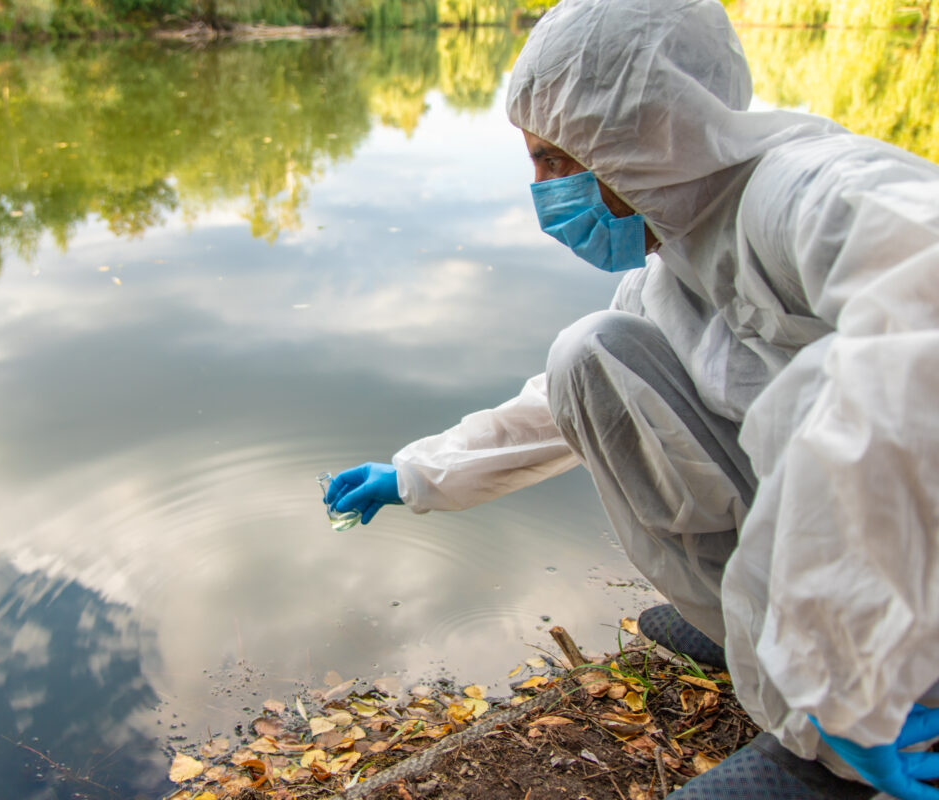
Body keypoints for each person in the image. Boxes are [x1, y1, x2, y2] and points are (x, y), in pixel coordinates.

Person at [323, 0, 939, 797]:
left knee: (850, 388)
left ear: (646, 133)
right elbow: (559, 404)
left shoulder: (807, 191)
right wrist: (414, 473)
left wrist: (845, 676)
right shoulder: (676, 260)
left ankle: (856, 733)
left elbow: (917, 352)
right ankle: (757, 637)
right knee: (591, 357)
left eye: (555, 159)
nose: (543, 191)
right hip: (860, 561)